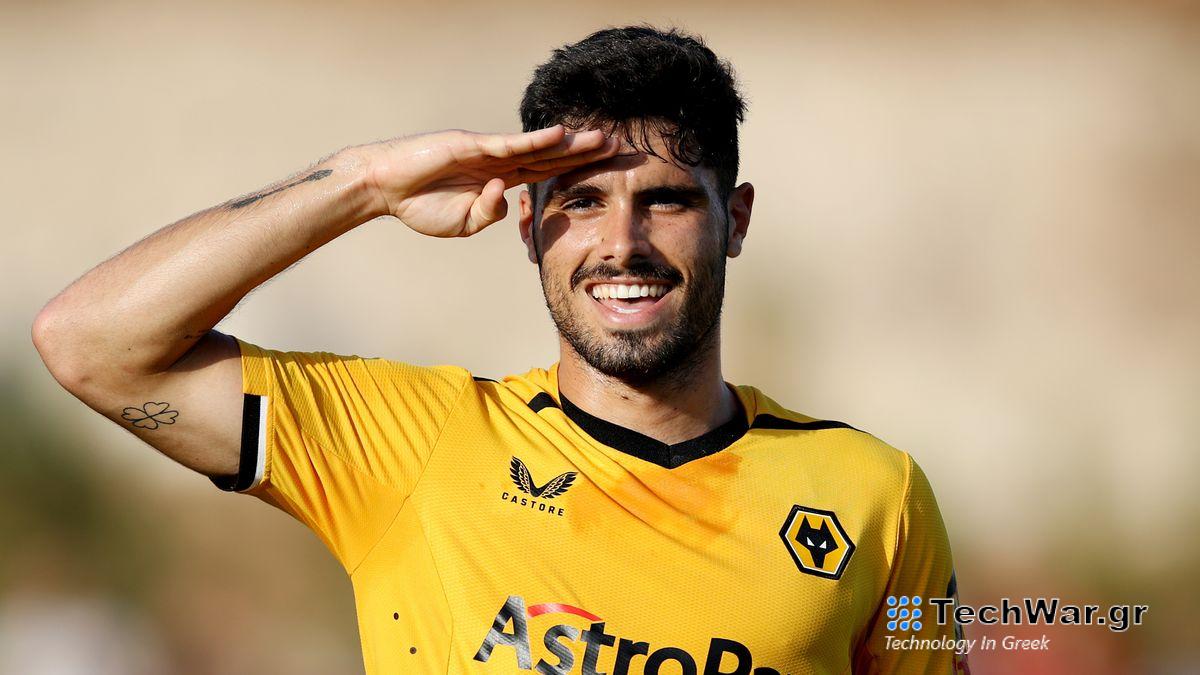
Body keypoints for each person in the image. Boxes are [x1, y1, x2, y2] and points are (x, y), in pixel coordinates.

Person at [32, 25, 969, 675]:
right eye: (581, 201)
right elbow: (93, 342)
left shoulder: (873, 491)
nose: (622, 243)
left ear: (737, 219)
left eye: (668, 199)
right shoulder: (416, 445)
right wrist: (362, 183)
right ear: (528, 227)